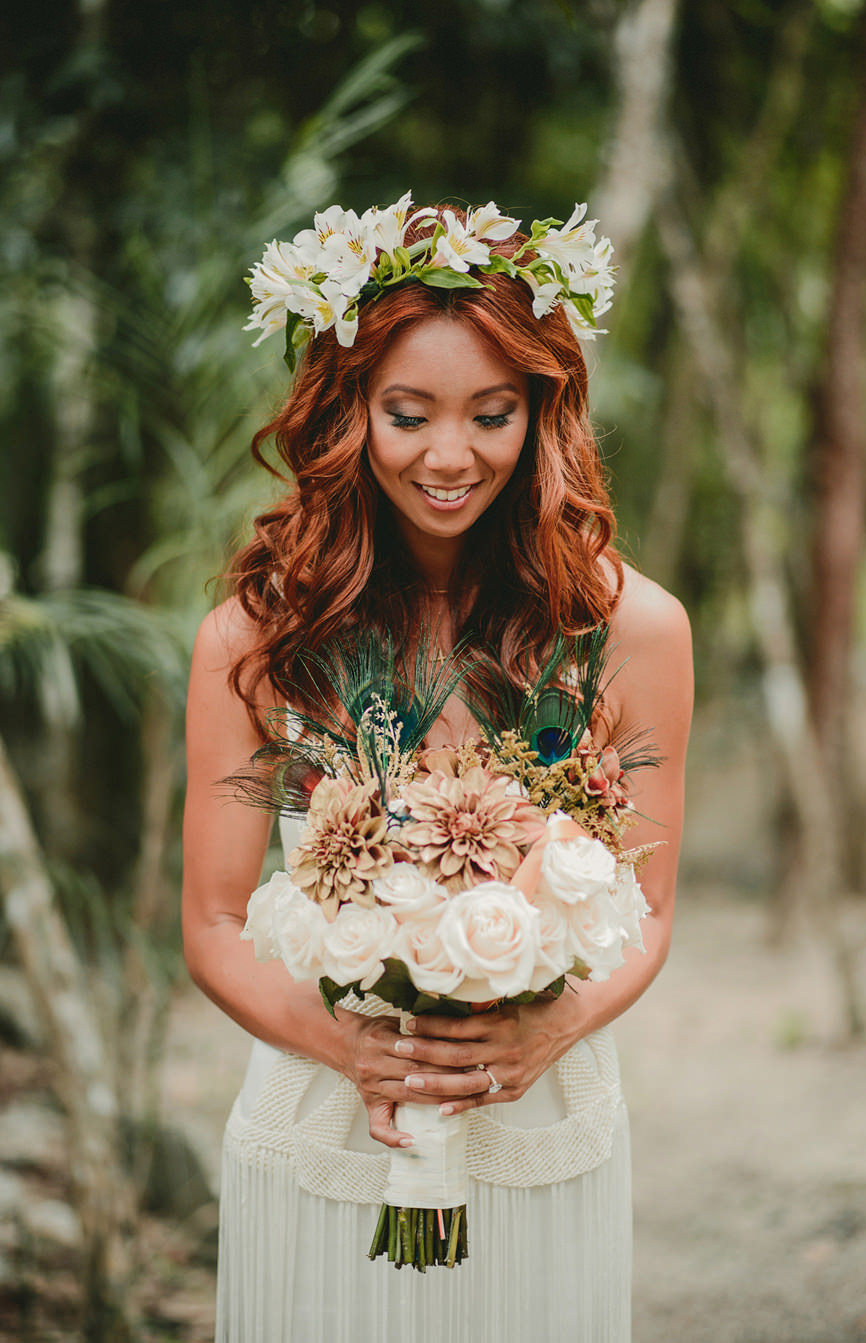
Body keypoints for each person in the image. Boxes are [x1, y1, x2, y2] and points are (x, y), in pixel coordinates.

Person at [181, 197, 692, 1341]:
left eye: (493, 413)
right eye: (407, 412)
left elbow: (650, 909)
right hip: (322, 1119)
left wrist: (541, 1031)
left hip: (543, 1123)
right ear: (345, 408)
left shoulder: (636, 631)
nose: (450, 455)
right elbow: (212, 924)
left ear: (544, 413)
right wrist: (353, 1048)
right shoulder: (252, 641)